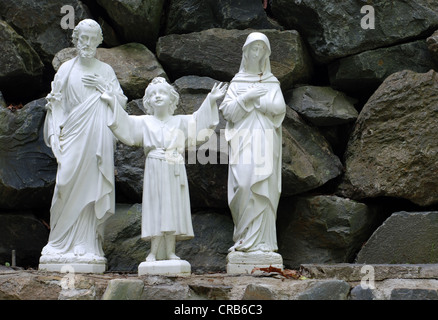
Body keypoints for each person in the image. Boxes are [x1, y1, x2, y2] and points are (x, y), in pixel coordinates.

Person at [101, 77, 227, 261]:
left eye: (162, 93)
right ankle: (153, 252)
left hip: (173, 166)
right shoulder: (143, 122)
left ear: (172, 99)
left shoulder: (180, 121)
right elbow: (124, 123)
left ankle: (170, 252)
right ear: (148, 102)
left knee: (172, 208)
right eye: (153, 95)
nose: (158, 97)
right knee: (155, 207)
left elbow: (199, 121)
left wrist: (210, 100)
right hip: (154, 166)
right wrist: (112, 102)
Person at [40, 19, 127, 268]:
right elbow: (56, 103)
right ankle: (57, 241)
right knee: (64, 184)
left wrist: (105, 90)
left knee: (92, 184)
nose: (87, 43)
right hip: (72, 135)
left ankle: (86, 243)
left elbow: (120, 104)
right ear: (76, 40)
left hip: (96, 138)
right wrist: (55, 129)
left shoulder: (105, 71)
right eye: (82, 38)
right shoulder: (66, 69)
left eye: (92, 39)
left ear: (99, 41)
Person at [219, 32, 286, 253]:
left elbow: (279, 108)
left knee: (263, 185)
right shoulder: (237, 82)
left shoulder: (271, 82)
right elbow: (228, 111)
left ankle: (264, 243)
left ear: (265, 54)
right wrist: (246, 97)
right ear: (246, 52)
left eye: (261, 49)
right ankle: (243, 237)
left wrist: (259, 100)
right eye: (253, 48)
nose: (256, 53)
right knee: (245, 183)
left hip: (266, 138)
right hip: (243, 139)